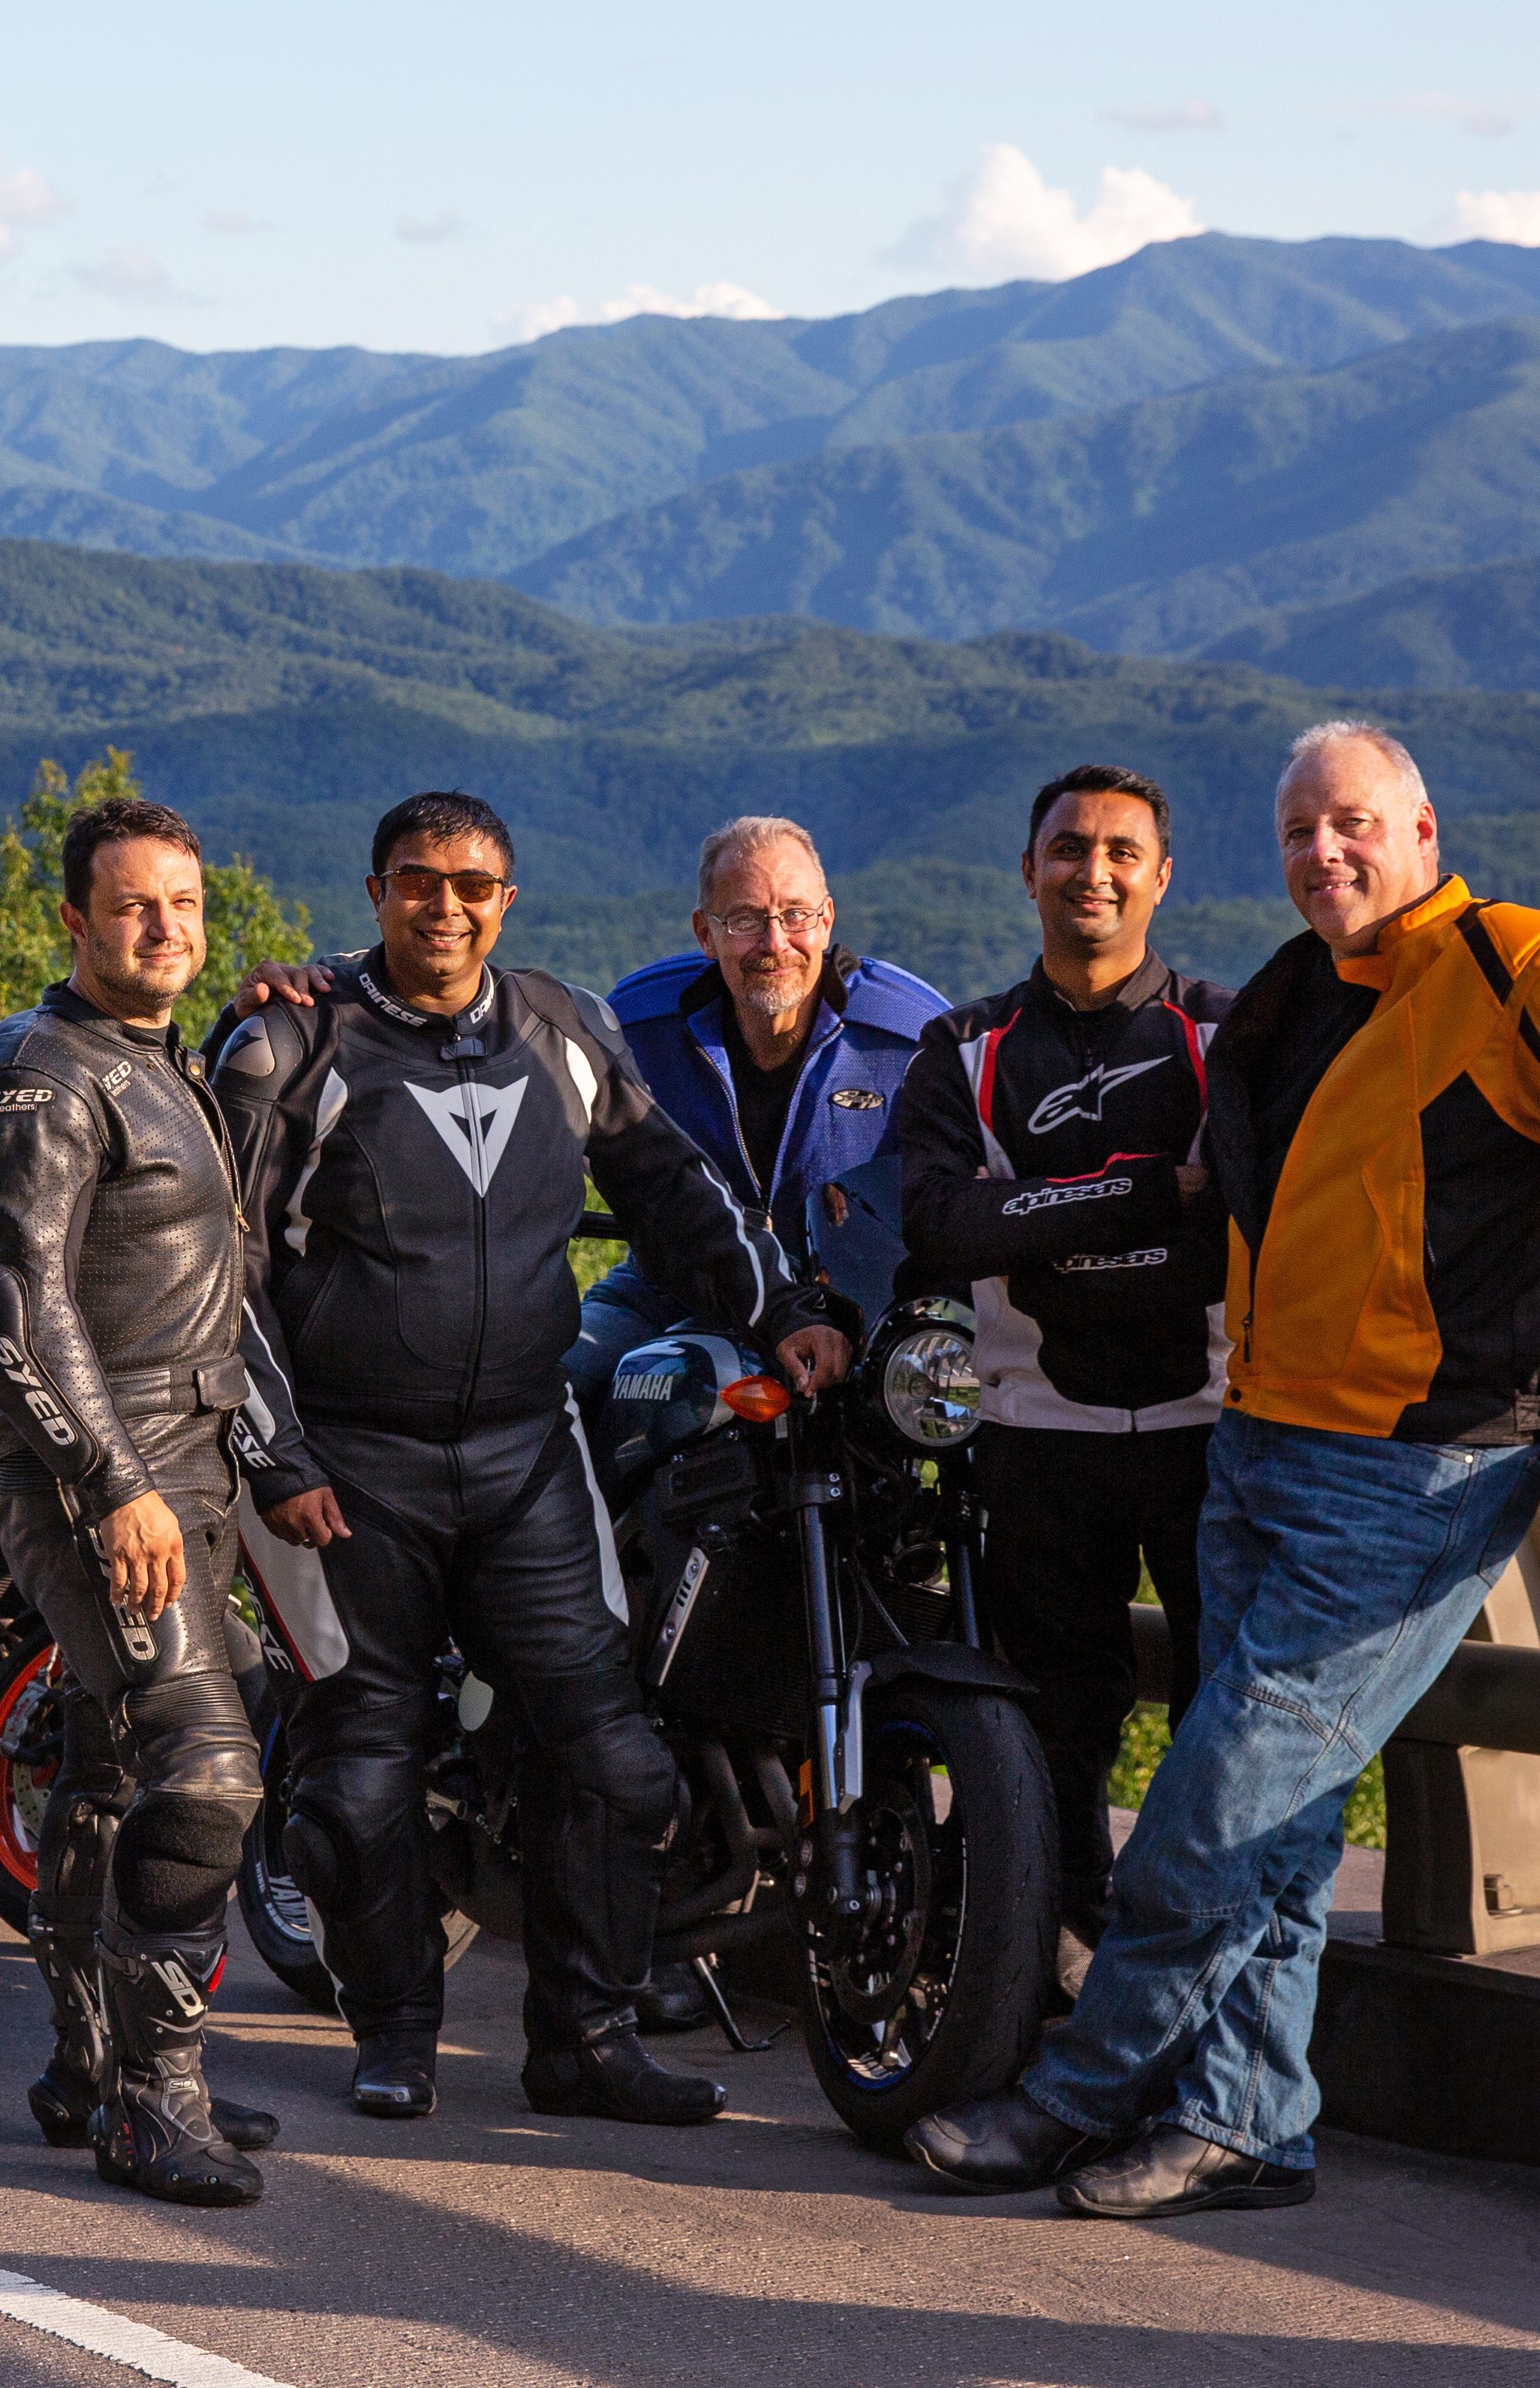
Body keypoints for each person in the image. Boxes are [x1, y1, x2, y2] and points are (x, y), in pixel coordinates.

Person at [908, 721, 1540, 2221]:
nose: (1322, 854)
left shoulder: (1528, 974)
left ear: (1424, 827)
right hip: (1263, 1443)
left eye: (1351, 824)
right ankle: (1247, 2121)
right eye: (1296, 833)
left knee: (1213, 1800)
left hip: (1417, 1473)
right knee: (1278, 1830)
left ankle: (1077, 2096)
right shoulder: (1300, 1000)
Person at [212, 790, 853, 2128]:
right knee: (361, 1768)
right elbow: (226, 1271)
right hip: (347, 1465)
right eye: (416, 881)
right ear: (377, 889)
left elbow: (674, 1187)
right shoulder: (289, 1042)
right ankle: (392, 2032)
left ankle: (585, 2041)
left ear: (507, 900)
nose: (443, 906)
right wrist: (276, 1452)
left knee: (612, 1756)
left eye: (473, 884)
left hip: (523, 1450)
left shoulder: (559, 1028)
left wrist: (783, 1310)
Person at [0, 794, 346, 2210]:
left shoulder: (154, 1060)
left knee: (115, 1771)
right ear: (74, 921)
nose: (163, 927)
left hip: (195, 1474)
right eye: (133, 906)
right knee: (208, 1773)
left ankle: (91, 2064)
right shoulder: (40, 1081)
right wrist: (112, 1487)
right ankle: (150, 2100)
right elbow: (13, 1304)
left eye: (182, 902)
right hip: (101, 1487)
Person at [888, 763, 1228, 1970]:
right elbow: (944, 1229)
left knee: (1218, 1725)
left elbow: (1245, 1201)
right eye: (1069, 848)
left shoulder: (1221, 1034)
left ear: (1161, 875)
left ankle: (1175, 1966)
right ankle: (1057, 1966)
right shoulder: (963, 1048)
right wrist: (1145, 1188)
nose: (1094, 871)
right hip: (1034, 1440)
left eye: (1121, 851)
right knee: (1055, 1735)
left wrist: (1030, 1207)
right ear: (1028, 870)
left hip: (1212, 1431)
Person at [570, 817, 951, 1445]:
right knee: (558, 1383)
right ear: (705, 934)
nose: (774, 943)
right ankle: (589, 1543)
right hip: (672, 1291)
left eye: (796, 916)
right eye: (745, 920)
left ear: (827, 921)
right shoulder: (637, 1028)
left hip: (861, 1309)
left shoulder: (909, 1037)